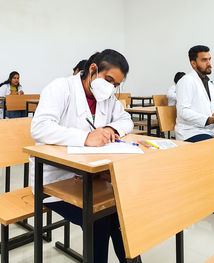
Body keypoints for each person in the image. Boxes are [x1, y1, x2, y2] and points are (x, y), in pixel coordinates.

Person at [30, 49, 141, 263]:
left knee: (124, 211)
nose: (111, 88)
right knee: (100, 219)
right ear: (92, 69)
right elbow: (40, 128)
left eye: (116, 85)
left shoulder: (107, 98)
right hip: (55, 180)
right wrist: (85, 137)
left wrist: (111, 128)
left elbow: (127, 120)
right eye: (108, 80)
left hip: (92, 176)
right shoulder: (61, 88)